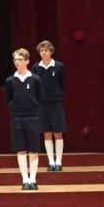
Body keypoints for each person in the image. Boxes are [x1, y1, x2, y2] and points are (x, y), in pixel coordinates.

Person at [6, 48, 42, 190]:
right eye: (15, 60)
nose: (17, 62)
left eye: (20, 60)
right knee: (21, 150)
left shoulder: (35, 79)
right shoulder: (10, 81)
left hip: (32, 117)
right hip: (16, 118)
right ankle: (25, 179)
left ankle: (33, 179)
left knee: (33, 149)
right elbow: (9, 98)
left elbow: (39, 97)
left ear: (27, 61)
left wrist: (34, 108)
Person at [34, 40, 66, 172]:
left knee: (57, 132)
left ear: (51, 51)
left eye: (46, 50)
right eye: (41, 51)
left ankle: (58, 161)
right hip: (42, 104)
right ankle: (51, 162)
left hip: (55, 103)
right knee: (46, 133)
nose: (43, 53)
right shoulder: (36, 67)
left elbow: (62, 83)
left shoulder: (58, 66)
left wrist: (57, 96)